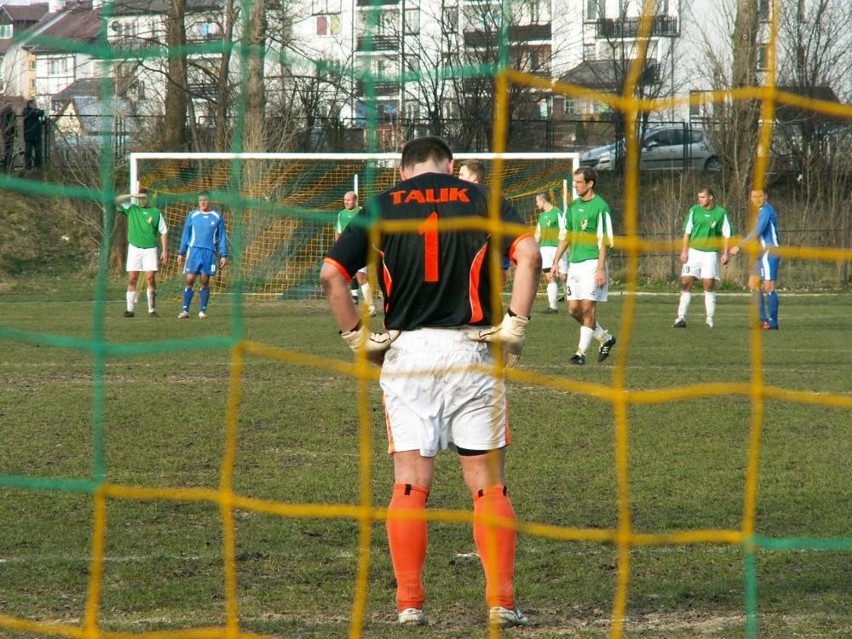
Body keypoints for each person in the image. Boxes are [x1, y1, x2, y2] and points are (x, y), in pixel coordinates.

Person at [320, 136, 541, 628]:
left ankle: (409, 605)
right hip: (472, 349)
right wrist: (516, 324)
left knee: (410, 484)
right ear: (452, 166)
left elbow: (332, 274)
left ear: (403, 172)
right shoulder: (481, 198)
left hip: (407, 354)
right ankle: (501, 602)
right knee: (486, 486)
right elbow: (529, 256)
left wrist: (356, 338)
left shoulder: (381, 205)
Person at [552, 167, 617, 365]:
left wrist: (600, 268)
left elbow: (604, 241)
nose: (576, 186)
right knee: (573, 310)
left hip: (592, 263)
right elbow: (566, 236)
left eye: (579, 182)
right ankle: (605, 338)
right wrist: (556, 262)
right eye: (574, 182)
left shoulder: (601, 207)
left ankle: (580, 354)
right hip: (575, 264)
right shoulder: (571, 207)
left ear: (590, 183)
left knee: (588, 309)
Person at [672, 186, 732, 329]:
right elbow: (687, 232)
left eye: (703, 197)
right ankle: (680, 318)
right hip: (693, 252)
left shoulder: (721, 213)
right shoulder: (694, 211)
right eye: (699, 197)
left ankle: (709, 319)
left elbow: (726, 235)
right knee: (686, 282)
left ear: (711, 197)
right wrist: (684, 251)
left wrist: (725, 253)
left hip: (710, 254)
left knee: (708, 285)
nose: (700, 200)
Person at [730, 189, 780, 329]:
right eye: (753, 196)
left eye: (760, 196)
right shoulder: (760, 211)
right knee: (753, 284)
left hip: (770, 252)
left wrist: (739, 246)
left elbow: (757, 232)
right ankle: (762, 320)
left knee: (769, 286)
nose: (756, 199)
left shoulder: (766, 211)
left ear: (765, 196)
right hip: (761, 254)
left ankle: (773, 322)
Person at [114, 188, 168, 317]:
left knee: (150, 278)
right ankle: (130, 309)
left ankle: (152, 309)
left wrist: (165, 251)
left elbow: (163, 232)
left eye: (144, 198)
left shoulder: (155, 213)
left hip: (150, 249)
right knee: (132, 279)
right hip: (134, 249)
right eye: (140, 198)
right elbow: (115, 201)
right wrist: (132, 194)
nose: (142, 200)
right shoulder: (132, 209)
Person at [177, 191, 229, 319]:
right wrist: (181, 252)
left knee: (205, 280)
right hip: (194, 251)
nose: (203, 203)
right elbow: (186, 234)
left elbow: (221, 237)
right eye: (200, 200)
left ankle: (202, 311)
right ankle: (185, 310)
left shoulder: (217, 216)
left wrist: (224, 254)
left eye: (205, 200)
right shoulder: (193, 215)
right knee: (190, 279)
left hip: (209, 252)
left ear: (209, 201)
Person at [458, 159, 511, 283]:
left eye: (461, 175)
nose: (458, 179)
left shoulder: (489, 200)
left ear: (474, 177)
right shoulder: (457, 200)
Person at [335, 191, 376, 317]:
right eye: (345, 200)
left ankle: (371, 306)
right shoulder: (341, 214)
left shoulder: (362, 212)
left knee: (361, 277)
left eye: (349, 200)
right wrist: (338, 247)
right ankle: (353, 299)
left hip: (360, 249)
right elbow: (338, 232)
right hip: (346, 249)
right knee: (346, 276)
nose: (346, 202)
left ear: (355, 200)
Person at [534, 191, 568, 314]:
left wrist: (561, 246)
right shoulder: (541, 217)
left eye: (537, 201)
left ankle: (571, 301)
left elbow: (564, 230)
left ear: (543, 201)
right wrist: (533, 247)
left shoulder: (557, 213)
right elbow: (537, 234)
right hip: (545, 250)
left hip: (557, 249)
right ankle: (553, 306)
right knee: (549, 277)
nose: (536, 204)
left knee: (564, 277)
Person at [22, 100, 44, 170]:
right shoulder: (25, 111)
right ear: (30, 104)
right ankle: (28, 166)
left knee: (38, 151)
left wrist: (35, 112)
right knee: (28, 151)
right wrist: (35, 112)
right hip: (29, 134)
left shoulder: (36, 111)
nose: (35, 105)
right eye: (34, 104)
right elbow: (29, 114)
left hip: (37, 135)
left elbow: (41, 112)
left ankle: (39, 166)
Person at [0, 102, 15, 169]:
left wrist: (3, 132)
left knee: (6, 147)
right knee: (9, 148)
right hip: (10, 132)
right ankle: (8, 164)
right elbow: (12, 123)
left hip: (4, 132)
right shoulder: (12, 112)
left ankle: (5, 163)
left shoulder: (2, 113)